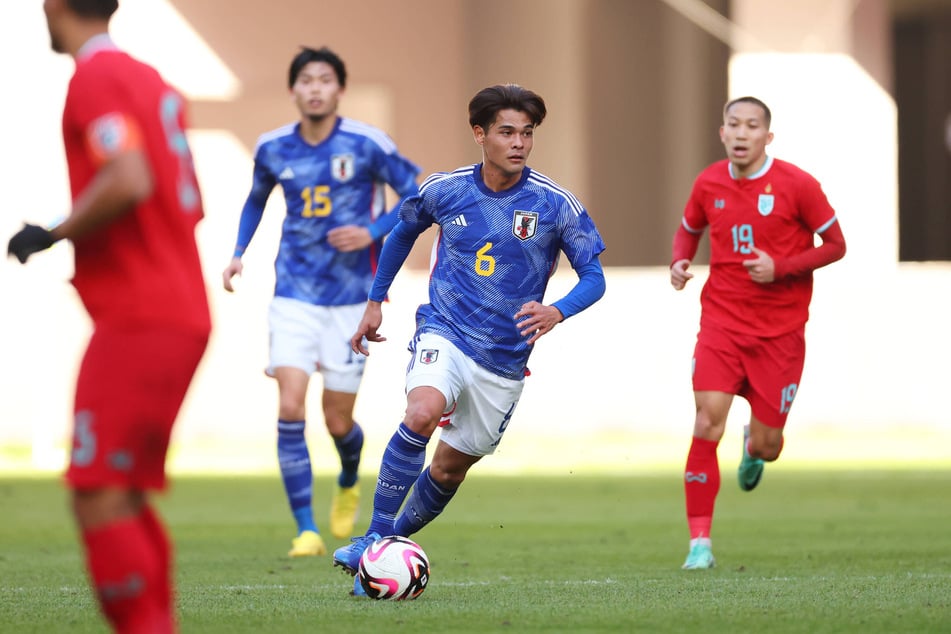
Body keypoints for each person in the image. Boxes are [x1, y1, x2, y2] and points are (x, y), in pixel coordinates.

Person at [332, 83, 607, 596]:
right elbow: (401, 232)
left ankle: (383, 547)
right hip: (445, 329)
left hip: (504, 361)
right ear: (480, 134)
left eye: (526, 133)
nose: (519, 142)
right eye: (506, 132)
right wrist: (375, 300)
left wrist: (557, 310)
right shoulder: (446, 189)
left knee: (449, 468)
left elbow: (594, 276)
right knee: (421, 412)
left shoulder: (554, 203)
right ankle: (372, 538)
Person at [7, 0, 211, 631]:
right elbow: (186, 198)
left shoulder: (95, 78)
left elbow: (129, 177)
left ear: (55, 6)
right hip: (176, 306)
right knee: (120, 491)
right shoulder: (152, 80)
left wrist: (52, 232)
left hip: (141, 315)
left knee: (96, 489)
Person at [221, 46, 421, 558]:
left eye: (324, 79)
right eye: (305, 80)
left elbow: (414, 192)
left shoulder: (366, 142)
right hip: (292, 293)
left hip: (352, 299)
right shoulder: (272, 148)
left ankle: (350, 475)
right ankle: (305, 529)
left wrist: (372, 230)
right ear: (293, 90)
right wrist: (239, 253)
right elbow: (255, 199)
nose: (314, 88)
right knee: (290, 404)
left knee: (337, 420)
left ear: (339, 89)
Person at [670, 96, 847, 570]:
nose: (742, 133)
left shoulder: (797, 185)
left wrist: (783, 266)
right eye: (734, 124)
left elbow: (836, 245)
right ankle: (699, 545)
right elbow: (689, 229)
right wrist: (679, 262)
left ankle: (754, 445)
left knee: (770, 445)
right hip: (722, 323)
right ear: (722, 132)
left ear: (767, 137)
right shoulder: (708, 182)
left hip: (780, 333)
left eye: (752, 126)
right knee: (707, 421)